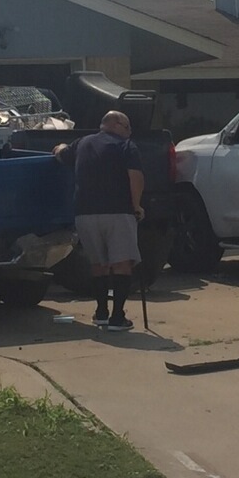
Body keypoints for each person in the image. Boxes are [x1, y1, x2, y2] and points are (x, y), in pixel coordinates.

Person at [53, 111, 144, 331]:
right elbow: (135, 176)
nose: (130, 132)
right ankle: (117, 317)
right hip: (118, 212)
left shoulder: (82, 143)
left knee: (98, 265)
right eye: (128, 127)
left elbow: (61, 153)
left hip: (85, 214)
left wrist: (59, 146)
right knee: (122, 264)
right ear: (117, 125)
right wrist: (137, 206)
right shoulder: (126, 146)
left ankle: (101, 312)